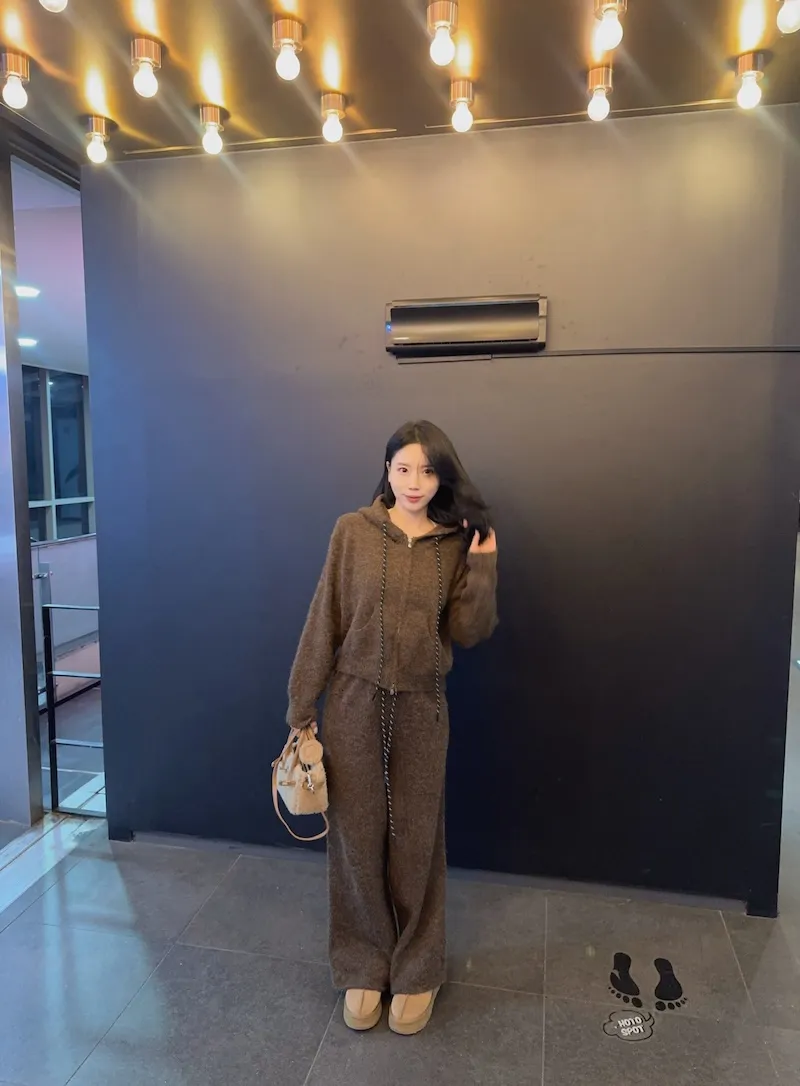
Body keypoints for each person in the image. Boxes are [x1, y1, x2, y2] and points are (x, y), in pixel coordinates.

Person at [287, 420, 498, 1036]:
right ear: (386, 470)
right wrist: (301, 707)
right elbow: (324, 618)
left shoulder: (455, 543)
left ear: (442, 477)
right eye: (403, 468)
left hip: (422, 709)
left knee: (416, 841)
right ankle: (362, 961)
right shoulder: (351, 532)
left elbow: (469, 631)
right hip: (352, 705)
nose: (414, 482)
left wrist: (484, 565)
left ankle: (417, 967)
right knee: (355, 838)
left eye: (427, 471)